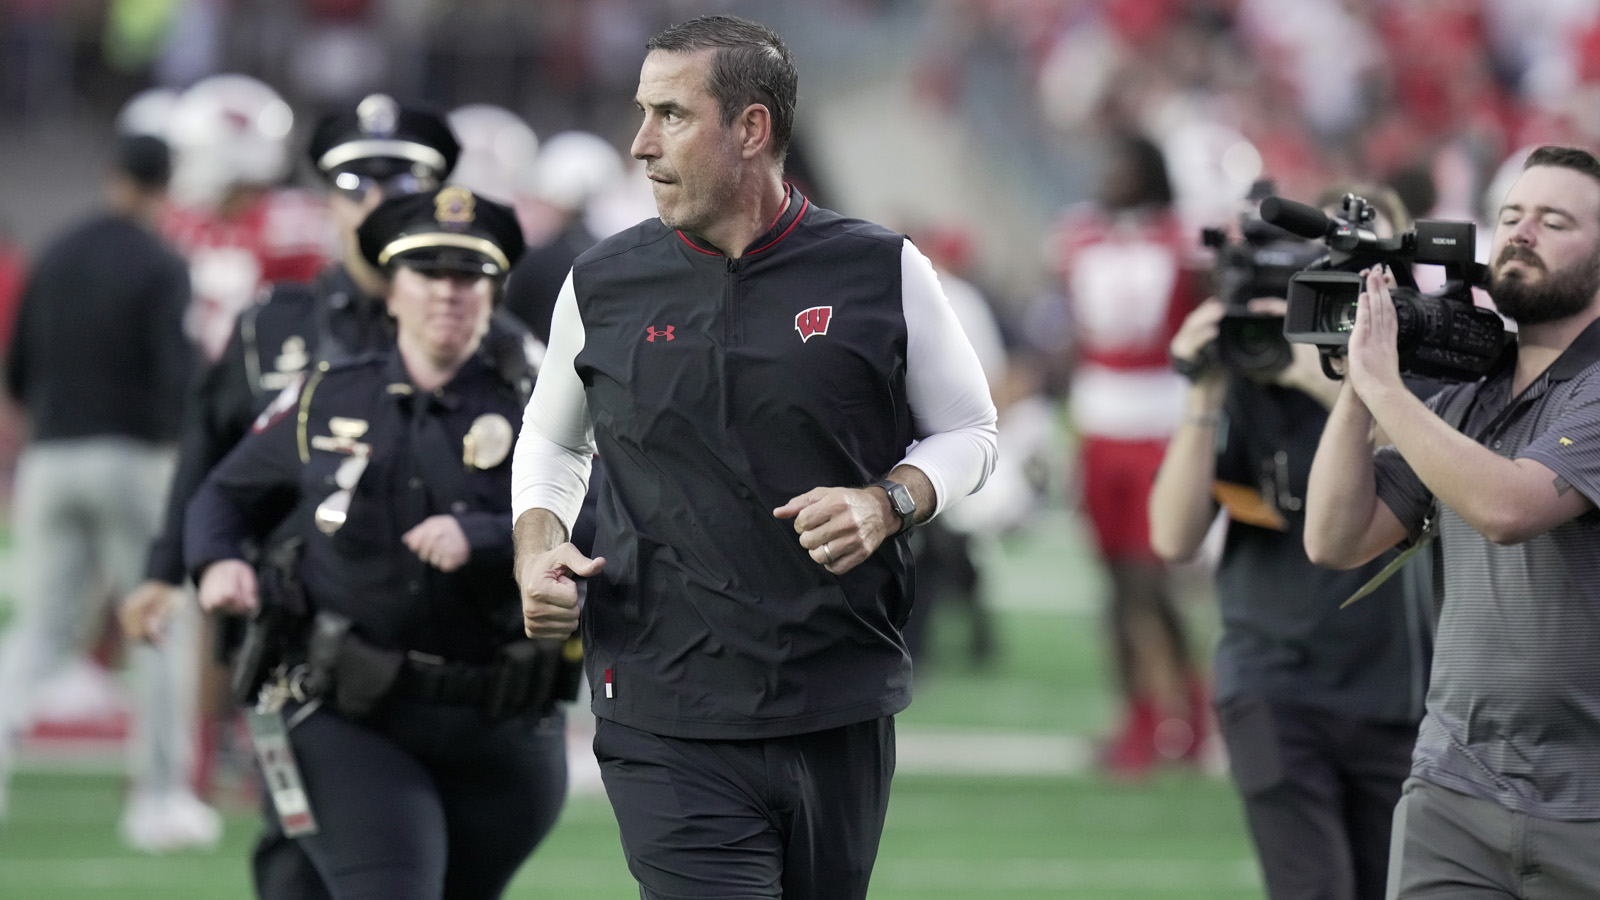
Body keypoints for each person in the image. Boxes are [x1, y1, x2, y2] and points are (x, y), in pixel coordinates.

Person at [511, 15, 998, 900]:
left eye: (670, 115)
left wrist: (889, 500)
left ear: (751, 128)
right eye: (642, 113)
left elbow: (972, 432)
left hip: (835, 696)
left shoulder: (882, 269)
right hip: (661, 702)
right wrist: (536, 546)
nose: (640, 144)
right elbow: (550, 437)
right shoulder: (601, 282)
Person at [185, 187, 568, 899]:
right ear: (391, 290)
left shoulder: (543, 403)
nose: (447, 293)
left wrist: (488, 536)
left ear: (493, 293)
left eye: (468, 276)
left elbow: (608, 510)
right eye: (428, 274)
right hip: (354, 714)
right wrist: (218, 562)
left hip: (505, 725)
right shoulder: (323, 397)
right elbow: (221, 496)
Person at [1305, 145, 1600, 895]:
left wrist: (1388, 390)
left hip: (1588, 804)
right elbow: (1336, 538)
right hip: (1455, 789)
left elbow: (1508, 507)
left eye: (1554, 220)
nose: (1522, 233)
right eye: (1510, 216)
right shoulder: (1473, 394)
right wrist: (1358, 380)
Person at [1149, 185, 1433, 900]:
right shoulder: (1255, 367)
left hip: (1402, 693)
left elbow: (1439, 468)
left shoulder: (1434, 374)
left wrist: (1330, 385)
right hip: (1275, 679)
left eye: (1387, 264)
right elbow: (1173, 535)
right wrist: (1204, 391)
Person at [0, 134, 212, 848]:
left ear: (110, 174)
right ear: (166, 184)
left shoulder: (55, 251)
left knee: (39, 627)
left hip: (49, 455)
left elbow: (18, 362)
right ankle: (157, 798)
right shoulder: (160, 261)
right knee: (155, 623)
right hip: (132, 456)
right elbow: (175, 373)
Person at [1048, 130, 1208, 777]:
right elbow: (1067, 328)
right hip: (1097, 420)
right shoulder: (1078, 237)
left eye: (1122, 162)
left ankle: (1189, 712)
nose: (1110, 173)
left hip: (1159, 419)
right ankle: (1138, 718)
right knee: (1114, 581)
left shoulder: (1184, 240)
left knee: (1150, 576)